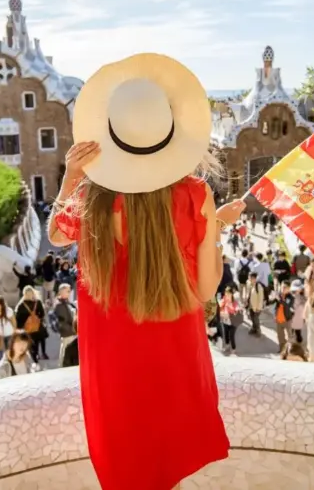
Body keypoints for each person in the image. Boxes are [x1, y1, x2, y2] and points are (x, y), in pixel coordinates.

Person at [46, 53, 246, 490]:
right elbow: (206, 287)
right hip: (174, 359)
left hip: (113, 368)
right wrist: (213, 227)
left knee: (129, 471)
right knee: (166, 467)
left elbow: (57, 235)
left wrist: (71, 175)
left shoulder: (95, 199)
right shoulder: (195, 194)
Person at [15, 286, 47, 363]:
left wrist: (19, 329)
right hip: (37, 327)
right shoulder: (38, 303)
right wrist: (37, 319)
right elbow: (42, 314)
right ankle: (37, 356)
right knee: (36, 343)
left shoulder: (21, 305)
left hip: (27, 329)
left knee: (30, 345)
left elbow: (18, 319)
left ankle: (34, 359)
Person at [53, 283, 78, 363]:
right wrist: (72, 330)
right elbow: (62, 322)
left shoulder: (67, 302)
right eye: (67, 291)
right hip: (67, 332)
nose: (69, 293)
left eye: (69, 291)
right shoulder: (59, 304)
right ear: (61, 292)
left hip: (71, 331)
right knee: (65, 351)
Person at [0, 295, 15, 365]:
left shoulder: (8, 311)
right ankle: (1, 369)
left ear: (2, 304)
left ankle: (11, 367)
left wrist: (15, 333)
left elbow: (14, 322)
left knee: (10, 353)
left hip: (9, 335)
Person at [272, 280, 295, 352]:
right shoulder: (278, 295)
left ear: (289, 288)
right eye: (282, 287)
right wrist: (271, 298)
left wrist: (280, 299)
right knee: (280, 336)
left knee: (289, 336)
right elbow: (274, 304)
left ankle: (290, 350)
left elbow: (287, 305)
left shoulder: (290, 297)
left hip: (287, 319)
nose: (283, 289)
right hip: (279, 319)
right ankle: (282, 349)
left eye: (285, 287)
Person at [218, 286, 242, 355]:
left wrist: (235, 310)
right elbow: (220, 305)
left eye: (228, 293)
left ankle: (233, 349)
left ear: (231, 294)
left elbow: (237, 308)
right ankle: (227, 345)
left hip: (232, 321)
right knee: (226, 334)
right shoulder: (224, 299)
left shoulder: (234, 301)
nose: (227, 294)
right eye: (226, 293)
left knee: (231, 335)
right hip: (225, 319)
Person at [244, 271, 266, 336]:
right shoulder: (249, 284)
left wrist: (259, 308)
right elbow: (248, 294)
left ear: (254, 278)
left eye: (250, 278)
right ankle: (254, 328)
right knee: (252, 317)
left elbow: (261, 298)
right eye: (249, 278)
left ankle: (258, 330)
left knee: (256, 319)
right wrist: (246, 302)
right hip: (251, 305)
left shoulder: (259, 287)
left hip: (257, 307)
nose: (249, 279)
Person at [290, 278, 307, 345]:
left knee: (297, 329)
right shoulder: (291, 295)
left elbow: (305, 305)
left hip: (300, 314)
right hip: (292, 314)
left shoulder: (303, 296)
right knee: (290, 329)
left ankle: (298, 339)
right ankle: (290, 342)